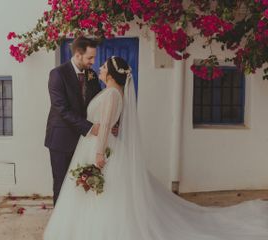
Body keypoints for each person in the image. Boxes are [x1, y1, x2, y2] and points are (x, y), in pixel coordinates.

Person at [44, 56, 268, 240]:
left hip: (99, 148)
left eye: (103, 67)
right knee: (100, 193)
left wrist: (100, 154)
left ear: (111, 74)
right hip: (96, 145)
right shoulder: (115, 93)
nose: (99, 70)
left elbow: (103, 128)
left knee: (103, 193)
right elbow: (111, 125)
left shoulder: (112, 94)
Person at [44, 36, 102, 205]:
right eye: (90, 58)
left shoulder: (91, 74)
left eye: (94, 57)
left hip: (84, 141)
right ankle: (59, 227)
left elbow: (99, 101)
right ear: (78, 54)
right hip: (61, 140)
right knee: (61, 184)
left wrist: (110, 121)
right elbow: (62, 109)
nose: (93, 61)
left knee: (82, 184)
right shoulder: (57, 74)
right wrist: (90, 127)